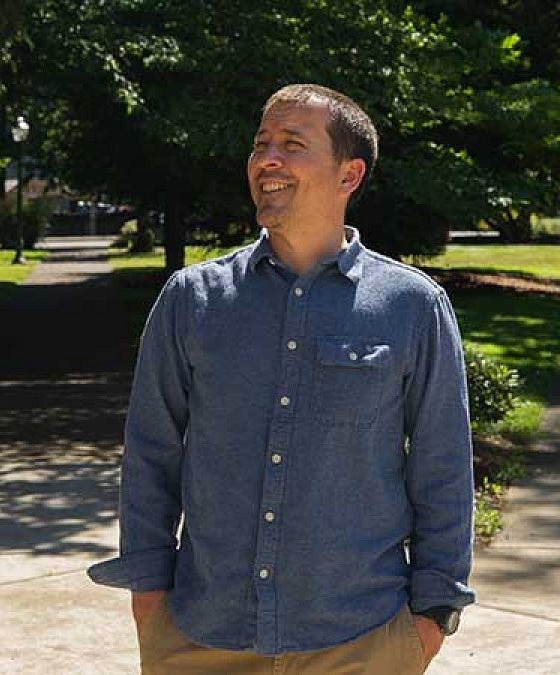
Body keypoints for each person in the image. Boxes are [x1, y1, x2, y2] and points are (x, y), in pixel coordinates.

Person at [88, 83, 475, 674]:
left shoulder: (411, 306)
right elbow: (150, 455)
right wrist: (149, 601)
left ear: (349, 175)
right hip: (200, 638)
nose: (267, 158)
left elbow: (443, 467)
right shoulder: (192, 300)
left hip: (361, 641)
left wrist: (432, 618)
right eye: (261, 143)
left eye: (293, 144)